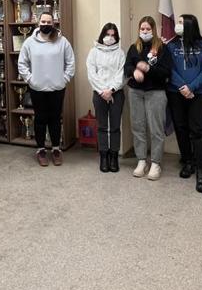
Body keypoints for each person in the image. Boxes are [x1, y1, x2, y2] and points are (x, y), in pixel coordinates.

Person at [18, 11, 75, 167]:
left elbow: (70, 62)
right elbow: (22, 63)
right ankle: (41, 150)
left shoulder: (62, 41)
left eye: (49, 22)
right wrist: (30, 79)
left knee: (55, 119)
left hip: (57, 88)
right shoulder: (30, 42)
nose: (46, 24)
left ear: (53, 23)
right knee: (40, 119)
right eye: (43, 22)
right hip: (37, 88)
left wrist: (64, 79)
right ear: (38, 23)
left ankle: (56, 149)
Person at [166, 14, 202, 193]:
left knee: (198, 132)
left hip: (198, 94)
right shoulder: (171, 45)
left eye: (180, 22)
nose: (177, 25)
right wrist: (182, 87)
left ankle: (201, 170)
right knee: (181, 128)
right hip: (176, 93)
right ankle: (188, 161)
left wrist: (191, 87)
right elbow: (169, 69)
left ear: (189, 25)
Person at [124, 16, 173, 181]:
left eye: (148, 29)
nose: (144, 32)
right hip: (135, 92)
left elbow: (166, 72)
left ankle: (156, 163)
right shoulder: (134, 47)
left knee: (156, 129)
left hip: (156, 92)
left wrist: (147, 69)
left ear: (153, 30)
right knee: (138, 127)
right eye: (142, 29)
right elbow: (127, 66)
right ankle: (141, 160)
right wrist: (133, 72)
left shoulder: (162, 48)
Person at [86, 22, 126, 173]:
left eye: (113, 35)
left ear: (116, 37)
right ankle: (103, 156)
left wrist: (112, 90)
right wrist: (103, 91)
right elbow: (92, 74)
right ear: (102, 35)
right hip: (99, 94)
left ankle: (114, 157)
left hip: (117, 93)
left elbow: (121, 74)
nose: (109, 37)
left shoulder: (120, 53)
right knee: (102, 126)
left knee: (115, 127)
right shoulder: (94, 52)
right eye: (107, 34)